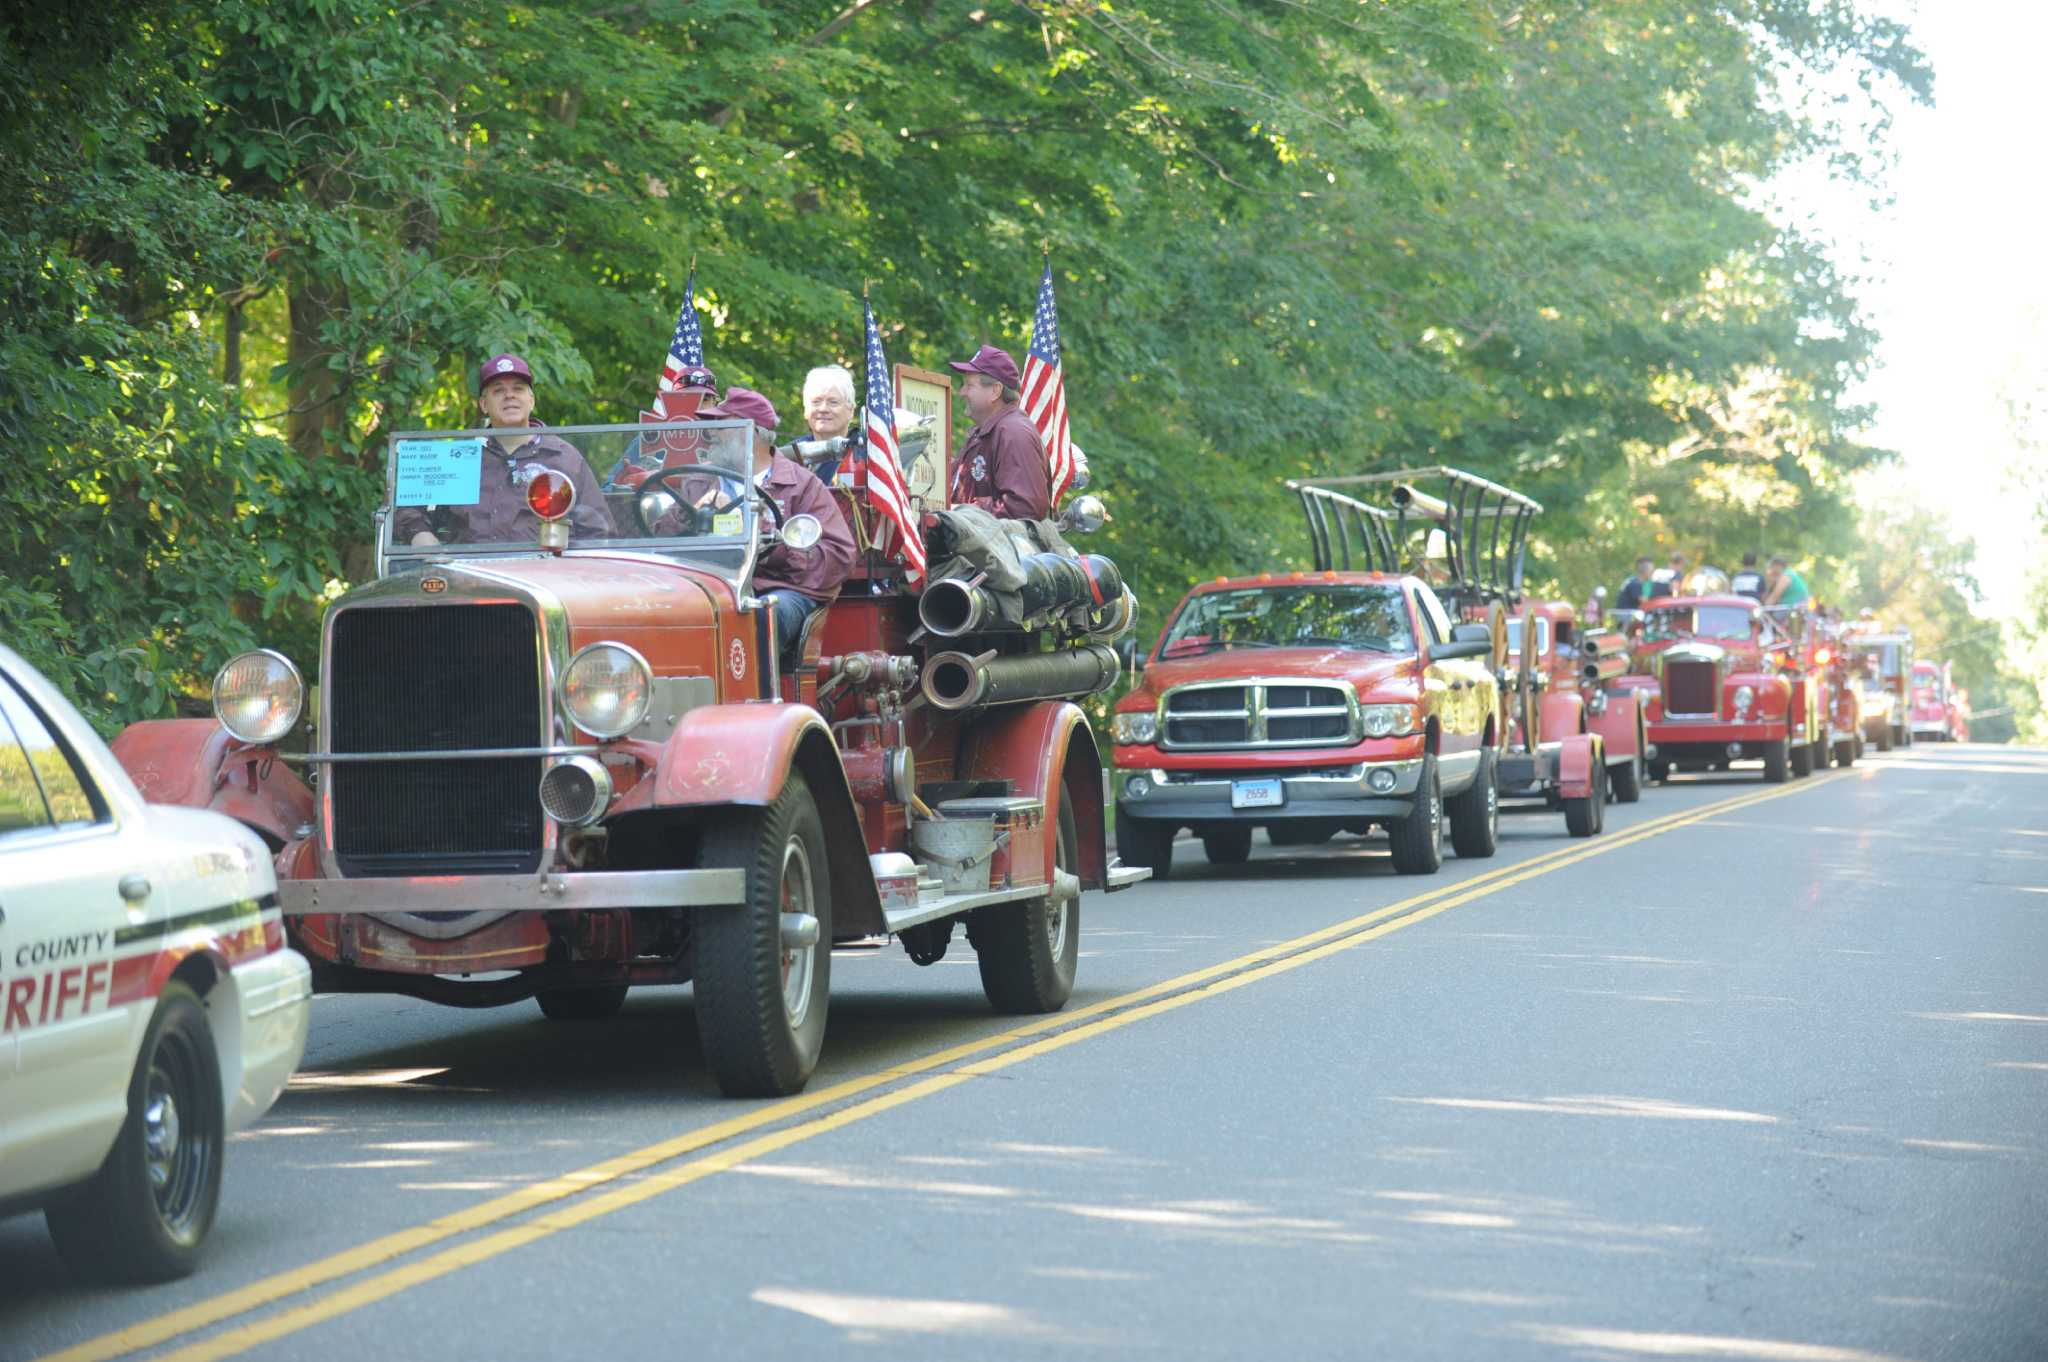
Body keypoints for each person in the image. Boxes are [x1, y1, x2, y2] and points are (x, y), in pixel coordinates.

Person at [693, 387, 856, 661]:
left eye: (721, 426)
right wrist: (691, 517)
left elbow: (839, 557)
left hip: (776, 588)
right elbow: (661, 536)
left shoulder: (803, 486)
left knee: (764, 613)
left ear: (751, 433)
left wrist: (763, 535)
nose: (710, 436)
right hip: (709, 585)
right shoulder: (699, 479)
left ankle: (756, 697)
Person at [396, 354, 614, 546]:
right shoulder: (460, 458)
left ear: (531, 400)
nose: (509, 395)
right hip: (470, 578)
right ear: (484, 405)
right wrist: (420, 535)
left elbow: (600, 531)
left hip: (545, 577)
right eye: (498, 390)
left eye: (518, 389)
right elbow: (408, 506)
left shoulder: (565, 458)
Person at [947, 344, 1050, 520]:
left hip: (999, 547)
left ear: (995, 391)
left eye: (969, 386)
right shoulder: (986, 432)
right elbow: (961, 483)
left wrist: (962, 511)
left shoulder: (1013, 432)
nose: (962, 392)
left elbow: (1025, 507)